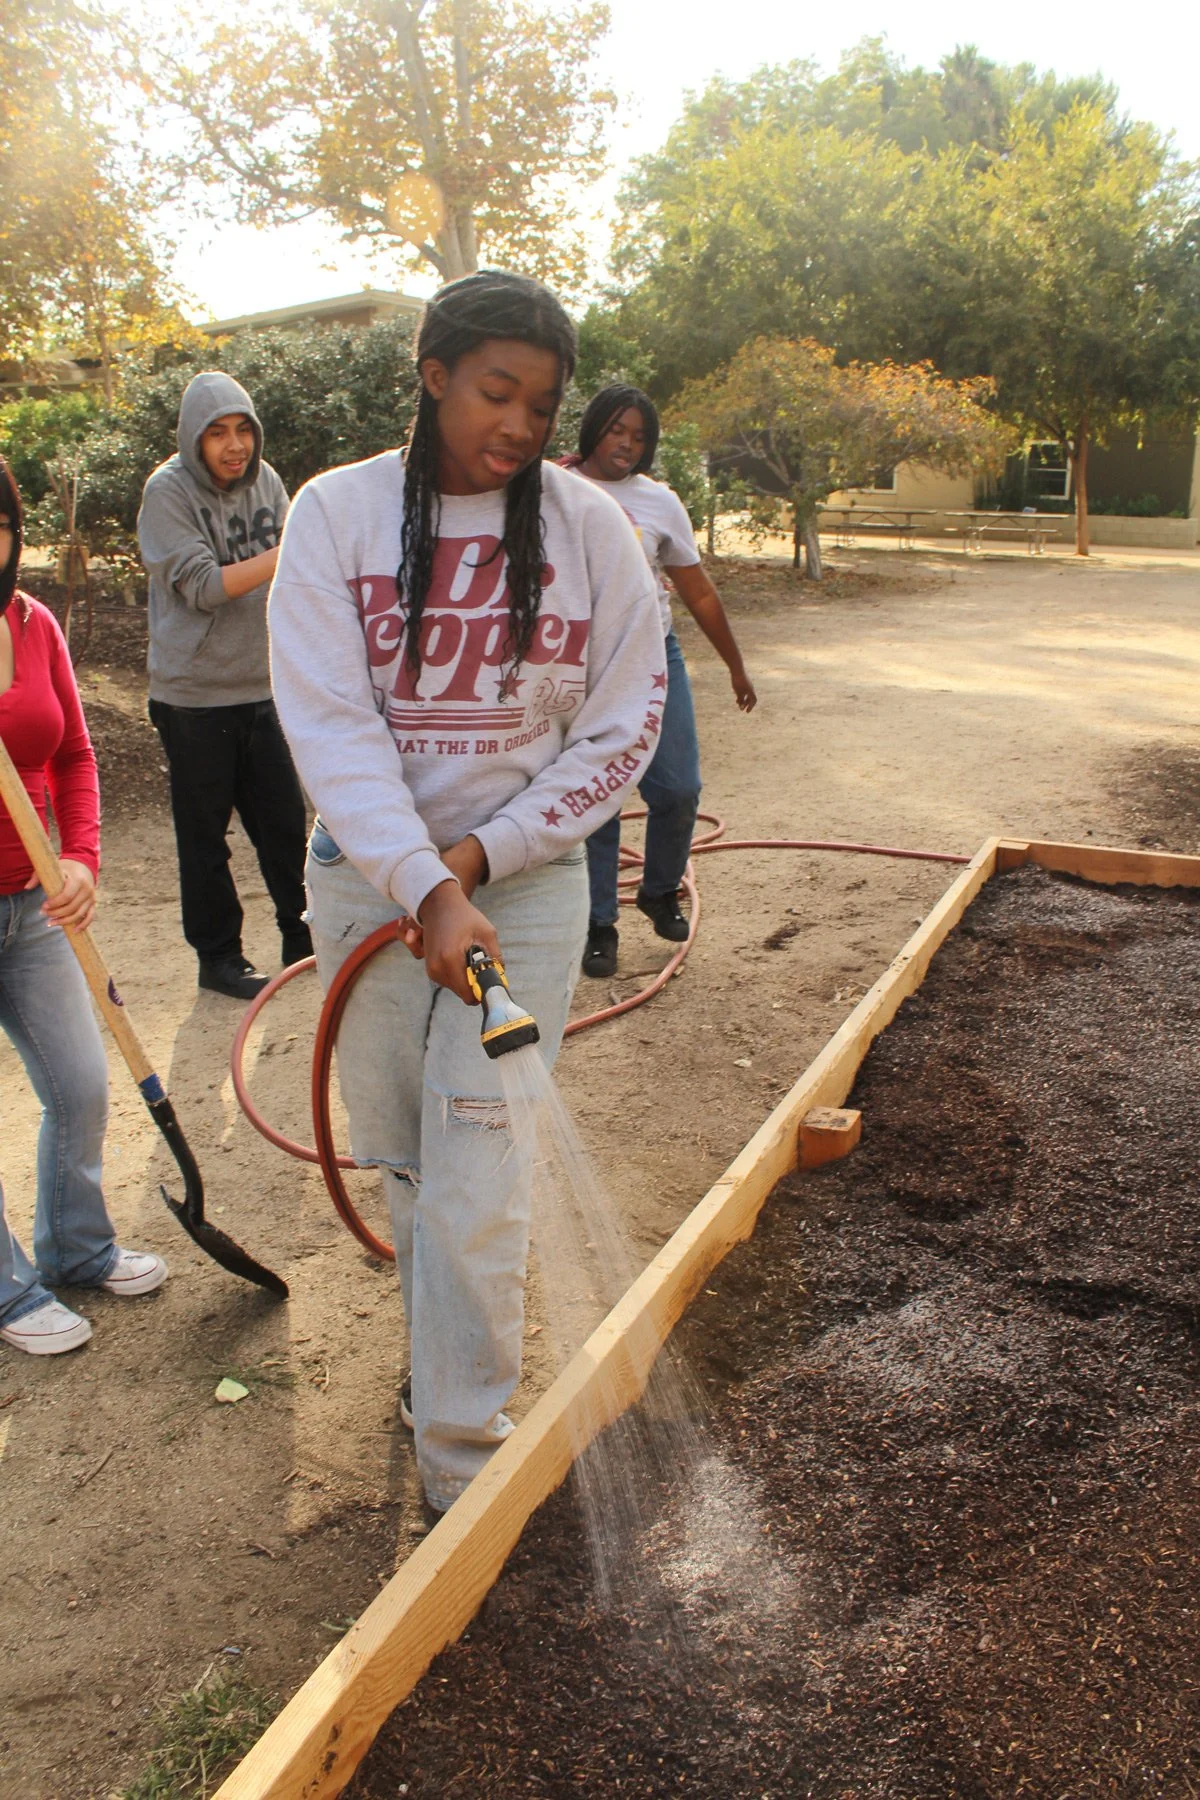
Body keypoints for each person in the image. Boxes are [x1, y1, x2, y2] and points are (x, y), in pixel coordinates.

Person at [269, 271, 664, 1515]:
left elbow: (622, 723)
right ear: (433, 373)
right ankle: (438, 1376)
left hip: (524, 883)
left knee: (482, 1164)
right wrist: (417, 881)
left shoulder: (590, 527)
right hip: (366, 886)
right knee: (408, 1159)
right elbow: (330, 729)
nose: (521, 425)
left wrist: (482, 862)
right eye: (497, 392)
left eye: (543, 406)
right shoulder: (338, 517)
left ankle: (463, 1465)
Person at [0, 457, 167, 1357]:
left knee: (82, 1086)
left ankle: (76, 1248)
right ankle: (7, 1293)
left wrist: (78, 855)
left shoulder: (33, 626)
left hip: (30, 905)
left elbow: (72, 756)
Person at [563, 385, 757, 979]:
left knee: (677, 788)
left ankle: (659, 887)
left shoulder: (659, 501)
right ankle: (598, 924)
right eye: (618, 430)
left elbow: (695, 588)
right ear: (595, 427)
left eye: (640, 436)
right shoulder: (554, 488)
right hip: (581, 665)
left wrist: (734, 663)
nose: (627, 443)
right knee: (595, 799)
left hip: (653, 656)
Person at [137, 371, 312, 1002]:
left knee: (286, 826)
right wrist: (294, 546)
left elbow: (300, 580)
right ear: (194, 440)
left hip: (263, 687)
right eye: (218, 433)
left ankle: (304, 939)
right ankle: (219, 957)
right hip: (193, 697)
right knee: (206, 839)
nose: (234, 445)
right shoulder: (168, 493)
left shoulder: (267, 482)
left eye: (243, 430)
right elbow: (206, 587)